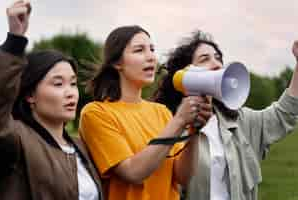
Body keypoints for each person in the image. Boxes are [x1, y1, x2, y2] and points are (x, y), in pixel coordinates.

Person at [153, 30, 298, 200]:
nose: (216, 64)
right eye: (204, 59)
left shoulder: (240, 122)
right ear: (185, 73)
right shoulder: (167, 125)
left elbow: (283, 114)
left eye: (218, 58)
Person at [79, 25, 212, 200]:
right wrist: (179, 121)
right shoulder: (96, 113)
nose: (150, 57)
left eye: (152, 49)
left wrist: (194, 131)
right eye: (139, 50)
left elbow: (183, 177)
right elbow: (133, 172)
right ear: (117, 63)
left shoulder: (161, 112)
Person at [0, 1, 103, 199]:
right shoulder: (16, 139)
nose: (71, 92)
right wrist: (14, 42)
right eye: (58, 84)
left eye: (73, 83)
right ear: (30, 95)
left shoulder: (81, 146)